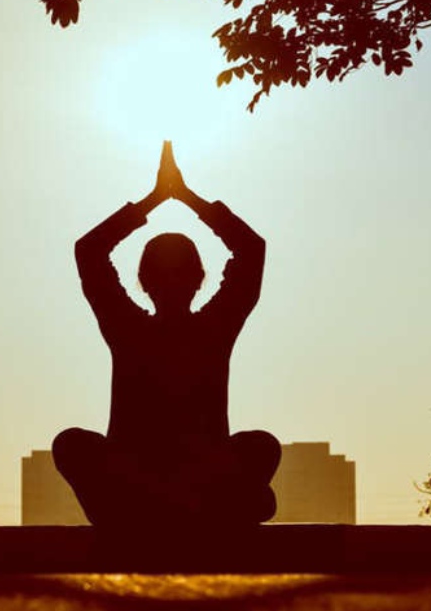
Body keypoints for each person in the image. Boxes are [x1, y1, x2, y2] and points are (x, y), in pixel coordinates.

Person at [53, 142, 281, 528]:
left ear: (142, 281)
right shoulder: (210, 327)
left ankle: (159, 508)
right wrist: (186, 199)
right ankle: (191, 508)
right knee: (71, 444)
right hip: (175, 481)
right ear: (200, 279)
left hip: (156, 481)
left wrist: (155, 200)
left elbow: (90, 251)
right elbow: (250, 249)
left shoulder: (130, 327)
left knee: (261, 445)